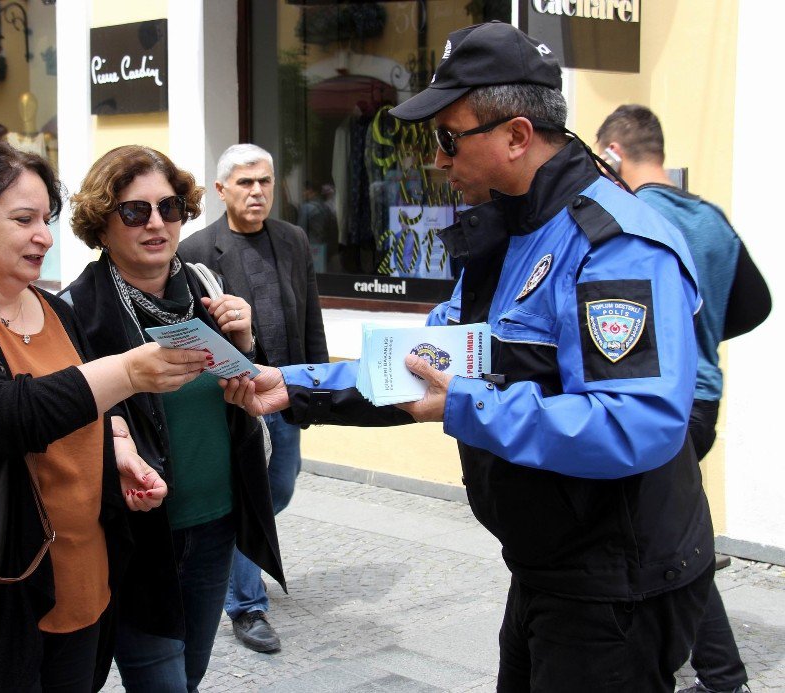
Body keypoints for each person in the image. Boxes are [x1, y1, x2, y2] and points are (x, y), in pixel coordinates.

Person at [222, 21, 716, 693]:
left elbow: (639, 424)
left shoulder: (613, 245)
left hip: (617, 582)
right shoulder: (508, 231)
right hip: (549, 565)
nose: (435, 159)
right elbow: (422, 362)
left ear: (516, 136)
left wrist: (467, 403)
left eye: (448, 138)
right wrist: (295, 385)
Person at [0, 137, 209, 691]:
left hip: (80, 590)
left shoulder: (50, 309)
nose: (44, 236)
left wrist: (116, 453)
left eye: (45, 219)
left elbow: (75, 411)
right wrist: (127, 372)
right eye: (24, 219)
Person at [60, 144, 286, 692]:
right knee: (160, 681)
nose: (156, 223)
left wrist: (244, 342)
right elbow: (64, 422)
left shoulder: (205, 287)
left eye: (170, 207)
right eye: (135, 212)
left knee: (191, 674)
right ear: (101, 224)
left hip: (215, 523)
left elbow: (247, 387)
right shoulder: (73, 311)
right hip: (139, 539)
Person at [596, 105, 771, 693]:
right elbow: (756, 304)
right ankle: (719, 675)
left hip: (660, 403)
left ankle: (722, 678)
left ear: (614, 153)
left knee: (673, 545)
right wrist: (703, 337)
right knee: (671, 534)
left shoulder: (635, 217)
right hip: (704, 398)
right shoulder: (712, 218)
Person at [178, 143, 328, 653]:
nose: (258, 191)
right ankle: (246, 606)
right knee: (246, 496)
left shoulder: (293, 239)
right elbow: (192, 333)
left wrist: (318, 386)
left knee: (279, 489)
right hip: (234, 399)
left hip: (284, 392)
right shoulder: (196, 251)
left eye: (265, 181)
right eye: (245, 183)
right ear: (222, 190)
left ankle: (229, 558)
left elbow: (310, 316)